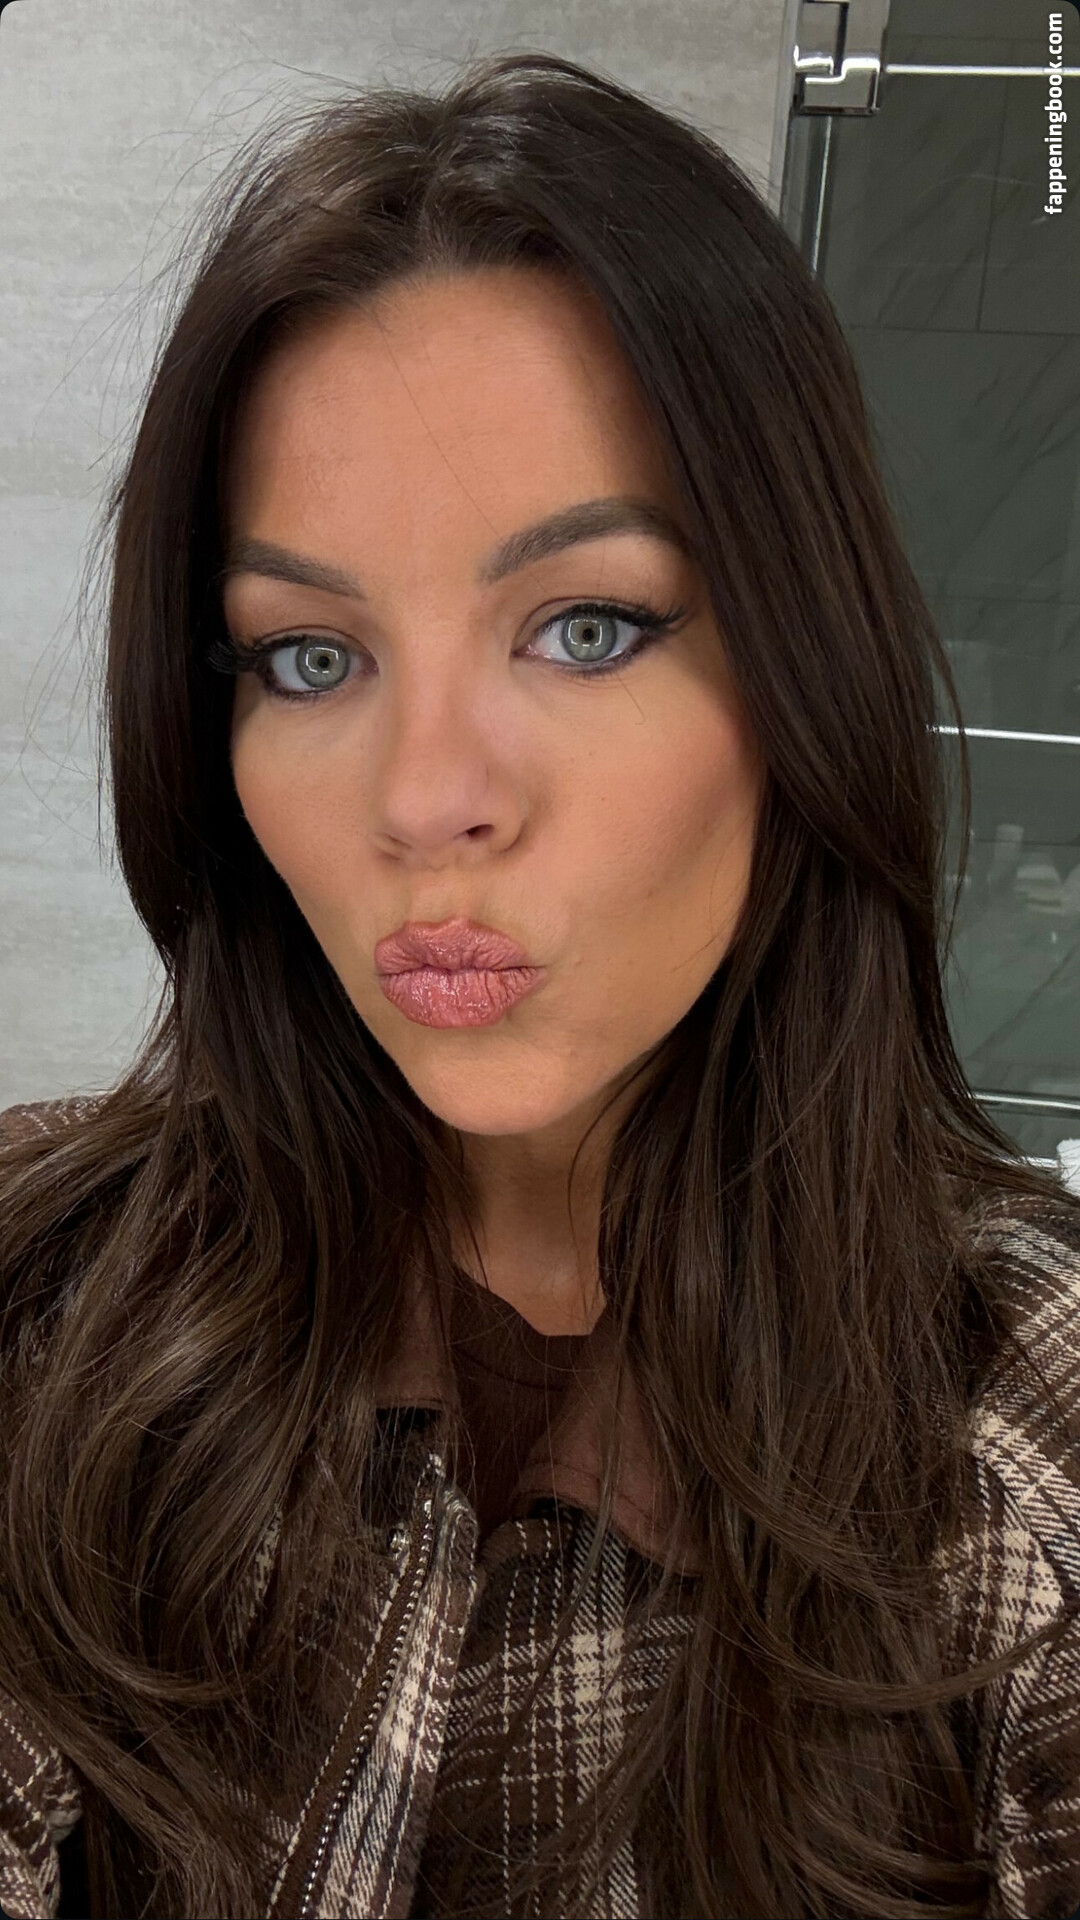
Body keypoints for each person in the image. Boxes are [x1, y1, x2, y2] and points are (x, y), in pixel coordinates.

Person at [1, 48, 1078, 1920]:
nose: (426, 800)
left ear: (799, 677)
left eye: (586, 627)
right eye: (309, 658)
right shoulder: (44, 1301)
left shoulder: (1023, 1432)